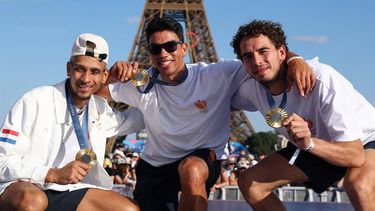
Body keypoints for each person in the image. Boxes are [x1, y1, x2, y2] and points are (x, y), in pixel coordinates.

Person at [97, 17, 315, 211]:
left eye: (170, 46)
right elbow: (96, 90)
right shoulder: (143, 83)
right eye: (156, 49)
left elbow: (262, 61)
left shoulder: (214, 74)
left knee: (191, 168)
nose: (163, 54)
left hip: (201, 159)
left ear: (184, 48)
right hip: (156, 166)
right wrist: (112, 76)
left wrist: (295, 59)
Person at [230, 19, 375, 211]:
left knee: (359, 185)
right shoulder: (250, 89)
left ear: (282, 52)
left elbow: (355, 156)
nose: (257, 61)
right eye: (247, 56)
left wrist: (309, 143)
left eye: (263, 51)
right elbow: (216, 100)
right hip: (315, 144)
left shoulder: (321, 80)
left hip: (363, 140)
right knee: (250, 183)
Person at [0, 33, 144, 211]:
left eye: (95, 72)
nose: (85, 79)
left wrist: (142, 83)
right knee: (33, 201)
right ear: (68, 68)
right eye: (80, 69)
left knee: (128, 209)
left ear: (104, 76)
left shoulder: (99, 109)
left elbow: (146, 116)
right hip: (25, 185)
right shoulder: (34, 100)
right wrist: (52, 174)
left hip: (69, 190)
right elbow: (2, 161)